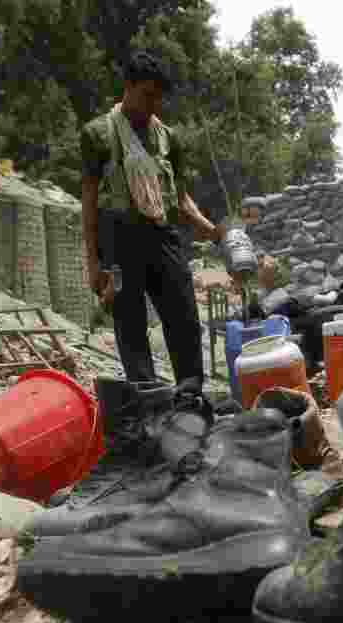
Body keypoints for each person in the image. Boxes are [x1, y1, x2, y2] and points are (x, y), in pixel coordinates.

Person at [80, 50, 248, 387]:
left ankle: (190, 398)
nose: (153, 105)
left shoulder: (168, 138)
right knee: (130, 324)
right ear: (127, 87)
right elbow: (89, 201)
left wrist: (214, 232)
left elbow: (180, 198)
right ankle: (148, 400)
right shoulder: (97, 134)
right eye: (147, 95)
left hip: (163, 234)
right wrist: (94, 263)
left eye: (158, 97)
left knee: (184, 317)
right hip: (119, 237)